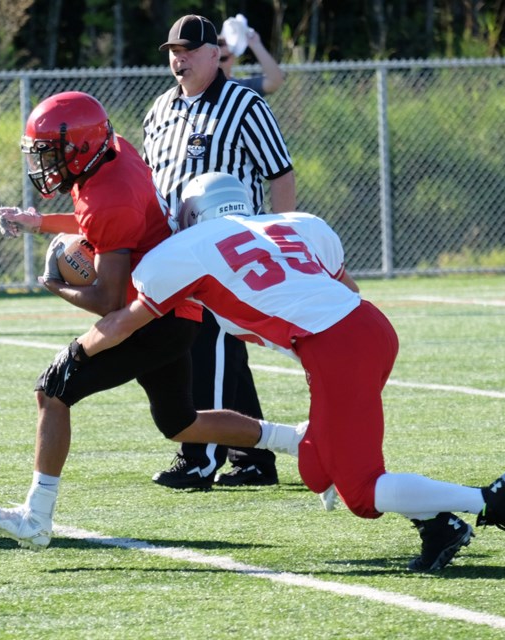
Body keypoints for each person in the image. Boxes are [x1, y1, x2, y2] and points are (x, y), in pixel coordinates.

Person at [58, 172, 505, 572]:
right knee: (317, 468)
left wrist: (79, 350)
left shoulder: (183, 250)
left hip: (335, 349)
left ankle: (489, 500)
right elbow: (349, 291)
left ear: (191, 215)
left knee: (361, 492)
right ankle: (441, 526)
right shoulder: (298, 223)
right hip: (369, 329)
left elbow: (124, 320)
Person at [0, 91, 307, 550]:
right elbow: (97, 222)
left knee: (52, 391)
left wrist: (56, 284)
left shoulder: (110, 196)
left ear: (80, 148)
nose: (43, 163)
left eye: (51, 153)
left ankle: (36, 517)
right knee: (181, 422)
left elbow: (108, 298)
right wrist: (40, 222)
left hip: (147, 316)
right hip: (171, 310)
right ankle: (295, 440)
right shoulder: (114, 152)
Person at [143, 14, 298, 491]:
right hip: (175, 251)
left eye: (189, 50)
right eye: (173, 50)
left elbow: (281, 173)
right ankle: (252, 457)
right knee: (224, 350)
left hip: (226, 250)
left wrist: (282, 236)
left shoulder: (243, 103)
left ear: (216, 53)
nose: (179, 58)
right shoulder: (160, 109)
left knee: (207, 345)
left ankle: (200, 457)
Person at [217, 29, 284, 97]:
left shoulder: (243, 87)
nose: (217, 63)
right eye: (213, 58)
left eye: (222, 58)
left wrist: (256, 44)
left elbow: (274, 81)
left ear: (233, 57)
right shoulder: (205, 88)